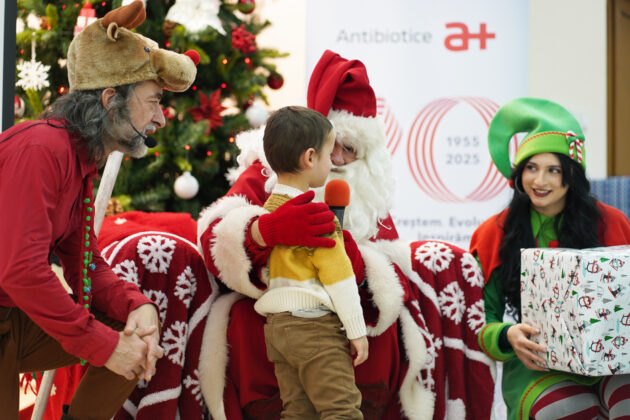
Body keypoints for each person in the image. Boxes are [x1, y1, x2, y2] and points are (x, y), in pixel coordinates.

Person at [198, 50, 494, 419]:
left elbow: (392, 276)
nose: (337, 159)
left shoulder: (366, 193)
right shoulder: (267, 172)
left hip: (339, 310)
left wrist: (359, 263)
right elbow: (214, 237)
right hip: (276, 311)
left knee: (383, 338)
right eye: (332, 147)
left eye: (349, 150)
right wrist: (261, 232)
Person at [0, 2, 198, 419]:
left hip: (13, 317)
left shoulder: (79, 159)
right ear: (111, 100)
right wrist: (105, 347)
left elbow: (84, 263)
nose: (161, 119)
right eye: (154, 101)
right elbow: (22, 271)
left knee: (134, 337)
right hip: (8, 312)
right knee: (115, 343)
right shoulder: (41, 149)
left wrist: (136, 304)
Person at [470, 97, 630, 420]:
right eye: (531, 168)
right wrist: (507, 334)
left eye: (553, 170)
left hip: (610, 359)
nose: (539, 181)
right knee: (568, 408)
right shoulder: (493, 233)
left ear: (571, 176)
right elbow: (480, 319)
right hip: (538, 362)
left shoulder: (612, 223)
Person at [257, 106, 368, 418]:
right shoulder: (317, 217)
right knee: (341, 410)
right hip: (314, 326)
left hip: (277, 329)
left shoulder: (268, 211)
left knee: (297, 412)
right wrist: (356, 330)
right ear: (309, 158)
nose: (333, 162)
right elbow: (339, 277)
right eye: (329, 154)